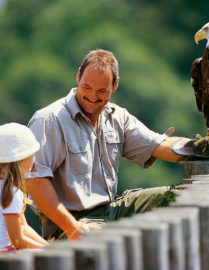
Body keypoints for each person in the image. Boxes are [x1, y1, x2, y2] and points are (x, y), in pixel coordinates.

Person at [26, 49, 190, 241]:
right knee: (106, 242)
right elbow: (34, 182)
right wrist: (72, 227)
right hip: (68, 222)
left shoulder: (117, 117)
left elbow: (160, 145)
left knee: (182, 197)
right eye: (86, 87)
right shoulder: (49, 120)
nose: (93, 97)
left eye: (102, 91)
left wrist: (204, 148)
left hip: (112, 210)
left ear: (115, 85)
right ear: (78, 76)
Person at [0, 123, 48, 252]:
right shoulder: (12, 193)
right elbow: (17, 241)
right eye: (32, 154)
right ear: (21, 159)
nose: (34, 159)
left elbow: (24, 228)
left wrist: (50, 248)